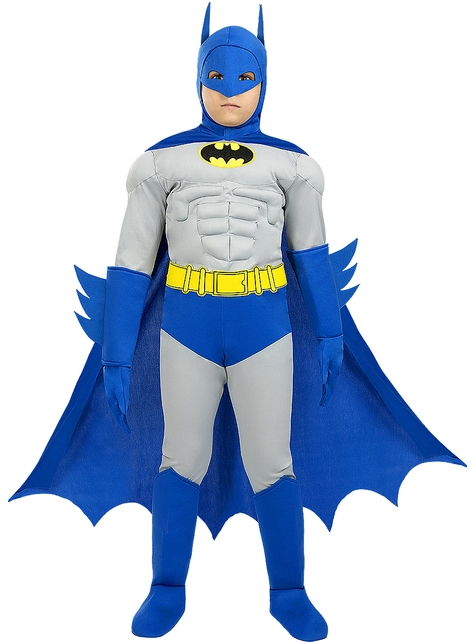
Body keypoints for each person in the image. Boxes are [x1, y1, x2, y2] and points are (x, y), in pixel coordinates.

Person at [105, 6, 339, 640]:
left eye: (245, 77)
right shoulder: (160, 164)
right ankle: (166, 586)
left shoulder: (293, 166)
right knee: (180, 456)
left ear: (264, 80)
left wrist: (331, 329)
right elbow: (131, 261)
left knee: (273, 460)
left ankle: (289, 590)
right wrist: (116, 352)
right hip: (188, 323)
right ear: (197, 78)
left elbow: (311, 253)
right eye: (217, 76)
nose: (230, 90)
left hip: (266, 323)